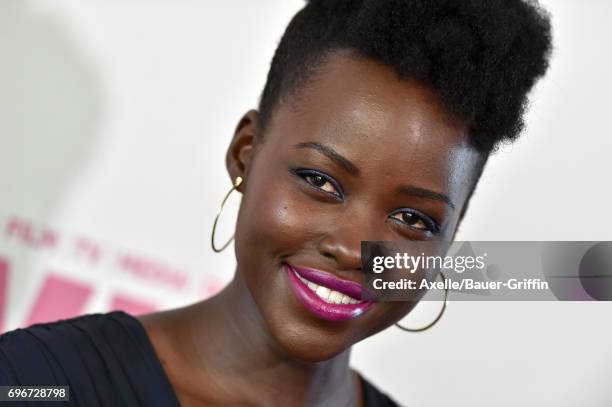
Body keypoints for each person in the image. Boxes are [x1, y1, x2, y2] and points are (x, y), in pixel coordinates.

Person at [0, 0, 552, 405]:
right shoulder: (34, 382)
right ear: (245, 153)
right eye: (320, 180)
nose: (352, 249)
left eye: (414, 219)